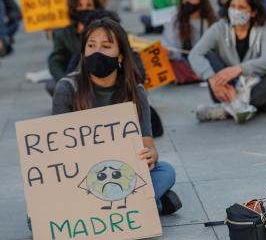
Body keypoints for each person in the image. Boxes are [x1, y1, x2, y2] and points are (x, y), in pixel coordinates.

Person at [52, 18, 182, 215]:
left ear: (120, 56)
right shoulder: (67, 88)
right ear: (84, 52)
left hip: (120, 174)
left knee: (165, 171)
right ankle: (149, 205)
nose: (97, 52)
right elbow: (56, 150)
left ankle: (96, 211)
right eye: (91, 46)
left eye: (106, 46)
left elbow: (149, 145)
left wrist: (150, 157)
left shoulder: (135, 91)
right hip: (80, 176)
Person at [189, 0, 266, 123]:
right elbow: (195, 54)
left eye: (241, 7)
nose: (236, 10)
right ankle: (237, 106)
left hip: (255, 88)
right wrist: (211, 79)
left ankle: (226, 110)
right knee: (210, 56)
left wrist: (239, 68)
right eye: (232, 6)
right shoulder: (219, 28)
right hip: (224, 88)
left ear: (253, 12)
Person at [46, 0, 104, 96]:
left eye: (89, 5)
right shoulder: (65, 33)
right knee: (52, 85)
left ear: (96, 8)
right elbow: (55, 61)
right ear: (74, 8)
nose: (84, 9)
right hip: (73, 78)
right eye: (80, 6)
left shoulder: (105, 30)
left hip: (101, 78)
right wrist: (64, 80)